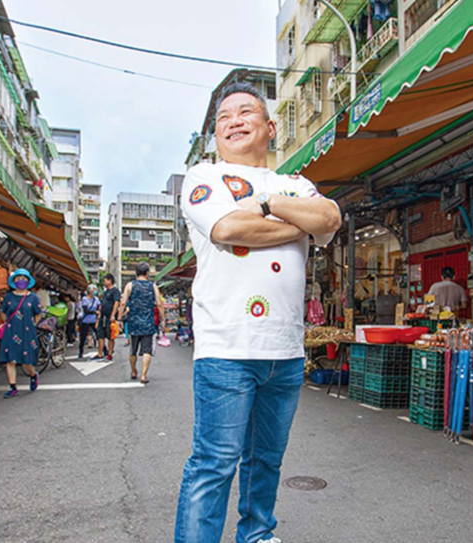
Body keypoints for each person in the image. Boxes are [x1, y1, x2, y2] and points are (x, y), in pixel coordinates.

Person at [175, 82, 341, 543]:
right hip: (226, 346)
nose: (234, 121)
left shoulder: (294, 183)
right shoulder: (203, 176)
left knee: (267, 460)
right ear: (215, 134)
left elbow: (328, 220)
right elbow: (227, 227)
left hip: (285, 350)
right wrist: (296, 225)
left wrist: (267, 206)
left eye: (246, 112)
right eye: (224, 117)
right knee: (214, 463)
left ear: (270, 127)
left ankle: (257, 536)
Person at [0, 269, 42, 398]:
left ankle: (33, 375)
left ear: (28, 281)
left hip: (27, 331)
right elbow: (3, 311)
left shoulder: (33, 298)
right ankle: (13, 387)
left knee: (26, 361)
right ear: (14, 281)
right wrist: (7, 322)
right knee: (10, 360)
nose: (21, 281)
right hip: (11, 330)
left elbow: (38, 313)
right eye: (18, 278)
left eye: (23, 278)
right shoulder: (9, 297)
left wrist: (32, 324)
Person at [117, 263, 164, 383]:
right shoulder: (152, 286)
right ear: (147, 272)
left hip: (133, 322)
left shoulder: (130, 285)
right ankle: (143, 375)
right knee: (146, 350)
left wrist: (119, 318)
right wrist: (163, 319)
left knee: (133, 350)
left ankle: (133, 371)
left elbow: (123, 303)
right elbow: (159, 303)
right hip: (148, 323)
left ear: (136, 273)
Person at [95, 274, 121, 361]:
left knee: (110, 336)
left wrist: (113, 315)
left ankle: (109, 353)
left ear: (110, 281)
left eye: (105, 280)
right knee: (100, 334)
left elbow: (116, 303)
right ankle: (100, 353)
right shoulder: (106, 292)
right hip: (103, 316)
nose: (104, 282)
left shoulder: (115, 291)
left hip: (110, 317)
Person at [78, 285, 100, 359]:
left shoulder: (96, 299)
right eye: (94, 290)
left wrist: (99, 311)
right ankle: (81, 351)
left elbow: (99, 306)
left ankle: (104, 350)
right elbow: (86, 310)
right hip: (86, 320)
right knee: (83, 337)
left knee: (99, 335)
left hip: (94, 320)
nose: (95, 292)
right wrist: (95, 312)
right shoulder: (84, 299)